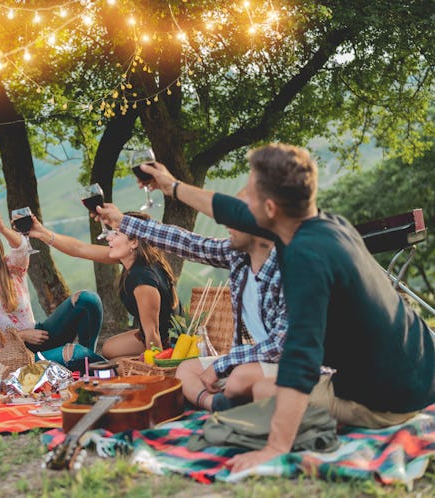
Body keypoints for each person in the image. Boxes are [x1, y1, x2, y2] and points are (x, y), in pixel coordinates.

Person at [128, 143, 435, 472]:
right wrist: (171, 186)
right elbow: (232, 212)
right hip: (423, 370)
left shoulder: (305, 259)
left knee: (263, 395)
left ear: (270, 208)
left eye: (249, 193)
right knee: (258, 391)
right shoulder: (329, 224)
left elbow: (299, 361)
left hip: (389, 400)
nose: (241, 201)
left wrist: (275, 447)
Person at [98, 193, 287, 412]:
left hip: (288, 362)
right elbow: (187, 243)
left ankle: (230, 402)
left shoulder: (287, 266)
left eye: (235, 219)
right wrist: (122, 220)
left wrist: (224, 364)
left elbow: (279, 346)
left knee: (239, 378)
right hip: (251, 359)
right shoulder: (237, 255)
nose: (226, 225)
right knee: (186, 369)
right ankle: (216, 404)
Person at [0, 205, 104, 369]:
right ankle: (97, 365)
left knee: (87, 299)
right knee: (75, 353)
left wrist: (1, 228)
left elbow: (21, 246)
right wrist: (21, 336)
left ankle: (90, 366)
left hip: (39, 336)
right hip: (11, 356)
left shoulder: (12, 266)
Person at [28, 212, 179, 360]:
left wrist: (158, 370)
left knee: (116, 365)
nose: (108, 237)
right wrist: (42, 233)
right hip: (153, 333)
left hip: (167, 342)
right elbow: (79, 249)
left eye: (116, 234)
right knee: (108, 349)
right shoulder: (133, 259)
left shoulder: (143, 280)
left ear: (134, 242)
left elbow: (153, 333)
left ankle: (79, 359)